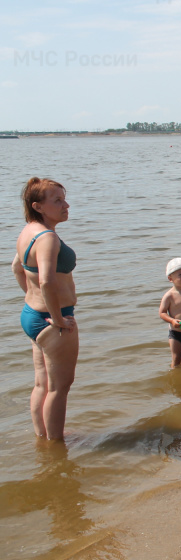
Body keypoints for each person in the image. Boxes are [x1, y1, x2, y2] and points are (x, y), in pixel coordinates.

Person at [11, 178, 78, 441]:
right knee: (59, 389)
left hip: (32, 316)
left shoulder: (29, 231)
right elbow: (47, 281)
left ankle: (44, 436)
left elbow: (17, 267)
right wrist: (60, 319)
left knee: (42, 383)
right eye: (58, 201)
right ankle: (56, 445)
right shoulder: (47, 238)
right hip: (53, 321)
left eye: (64, 198)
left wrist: (33, 297)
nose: (66, 205)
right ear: (38, 206)